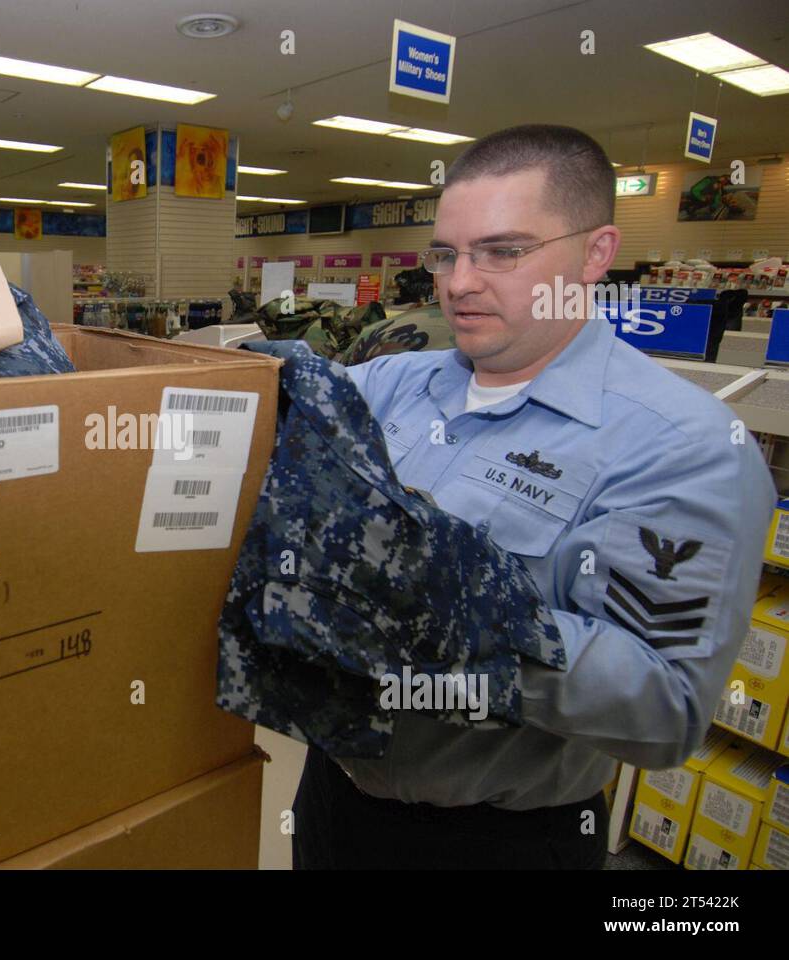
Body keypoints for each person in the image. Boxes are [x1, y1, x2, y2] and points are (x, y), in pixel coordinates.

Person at [292, 124, 775, 870]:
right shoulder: (395, 383)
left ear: (595, 253)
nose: (459, 282)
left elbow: (665, 705)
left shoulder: (682, 446)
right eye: (446, 254)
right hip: (333, 799)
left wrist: (448, 611)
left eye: (503, 252)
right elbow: (267, 400)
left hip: (494, 842)